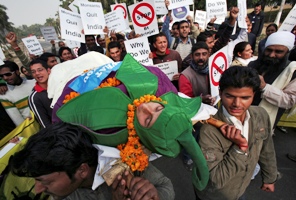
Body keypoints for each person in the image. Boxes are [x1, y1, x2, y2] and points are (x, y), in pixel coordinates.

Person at [49, 52, 215, 192]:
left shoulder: (107, 131)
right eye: (158, 109)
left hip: (68, 79)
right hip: (102, 61)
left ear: (141, 135)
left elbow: (63, 120)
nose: (146, 109)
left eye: (148, 120)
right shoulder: (157, 82)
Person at [10, 122, 175, 200]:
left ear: (82, 170)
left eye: (43, 181)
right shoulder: (63, 195)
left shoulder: (121, 162)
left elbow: (166, 185)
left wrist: (155, 195)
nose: (38, 190)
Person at [195, 66, 278, 200]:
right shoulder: (208, 129)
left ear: (254, 95)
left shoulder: (260, 114)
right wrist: (240, 148)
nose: (237, 104)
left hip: (241, 189)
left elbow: (267, 148)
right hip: (215, 196)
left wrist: (270, 177)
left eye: (245, 97)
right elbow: (214, 180)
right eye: (230, 96)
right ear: (221, 93)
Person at [248, 31, 296, 129]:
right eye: (269, 50)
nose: (271, 55)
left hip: (263, 123)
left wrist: (264, 87)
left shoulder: (292, 71)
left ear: (287, 52)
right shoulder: (253, 64)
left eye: (278, 52)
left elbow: (289, 101)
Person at [0, 61, 35, 126]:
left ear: (17, 72)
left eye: (8, 74)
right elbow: (17, 120)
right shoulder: (4, 95)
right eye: (1, 76)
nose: (5, 78)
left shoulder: (34, 83)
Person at [28, 59, 52, 128]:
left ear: (48, 71)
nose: (37, 73)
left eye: (40, 70)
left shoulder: (60, 87)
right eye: (33, 72)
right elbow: (45, 125)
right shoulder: (34, 97)